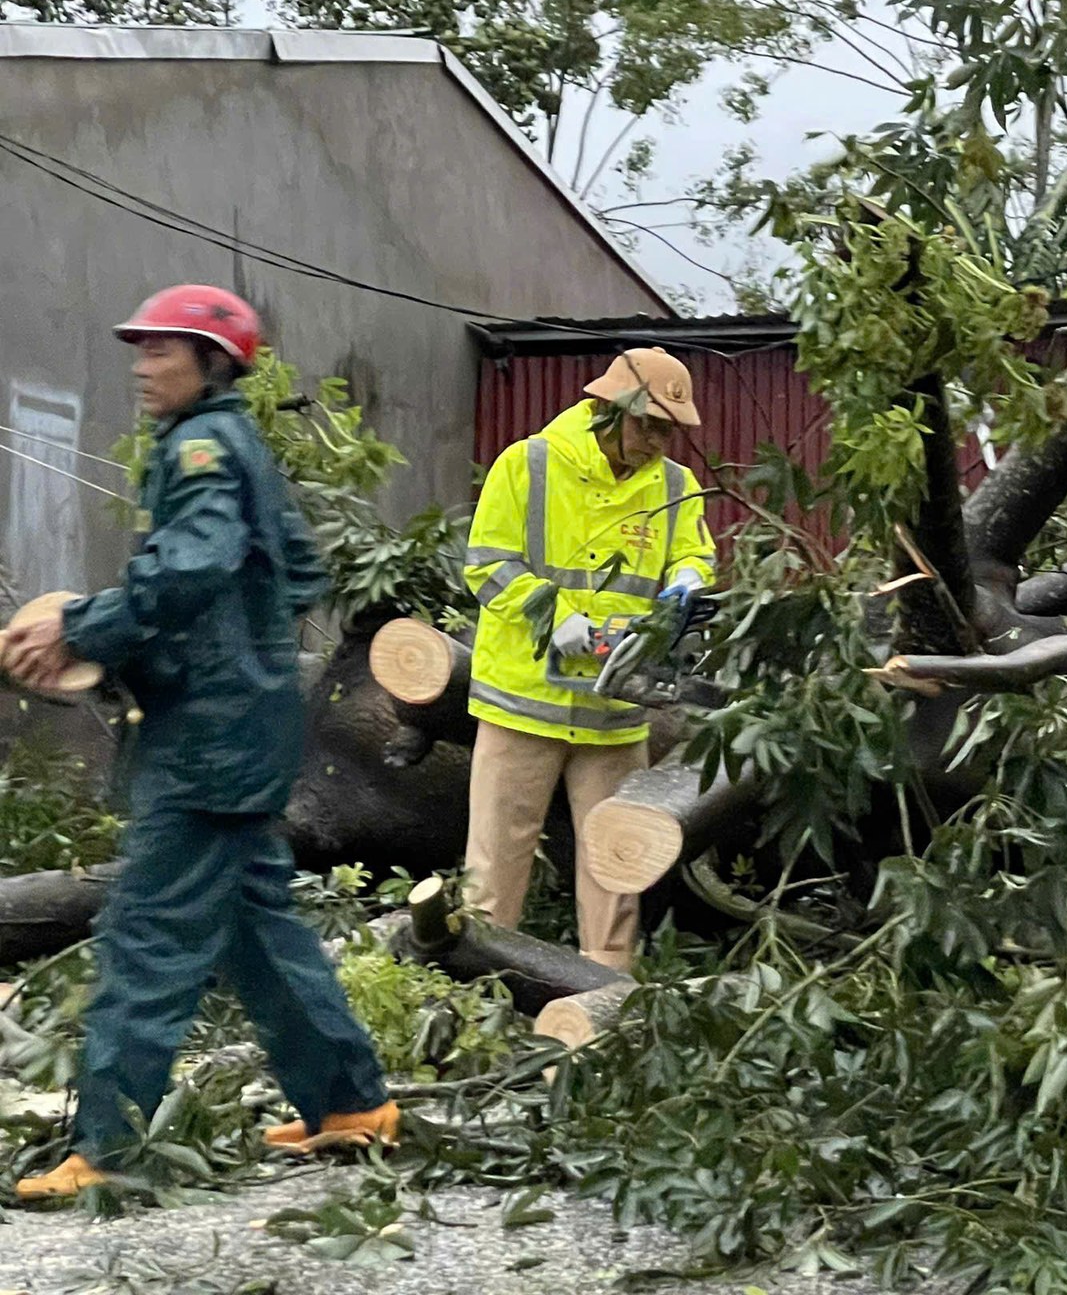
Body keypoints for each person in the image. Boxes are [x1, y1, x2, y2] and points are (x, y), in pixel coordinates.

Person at [4, 285, 394, 1202]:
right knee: (257, 931)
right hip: (241, 727)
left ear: (214, 362)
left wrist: (83, 628)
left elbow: (193, 564)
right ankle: (351, 1106)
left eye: (161, 350)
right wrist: (232, 647)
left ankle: (109, 1148)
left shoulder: (202, 447)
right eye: (139, 349)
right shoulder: (235, 443)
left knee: (147, 934)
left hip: (205, 743)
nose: (142, 367)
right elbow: (297, 569)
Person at [462, 348, 715, 970]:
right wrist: (555, 617)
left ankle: (602, 1004)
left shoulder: (676, 487)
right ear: (609, 409)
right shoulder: (528, 464)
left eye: (667, 431)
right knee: (493, 871)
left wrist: (688, 580)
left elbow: (696, 555)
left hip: (615, 710)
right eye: (647, 425)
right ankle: (477, 997)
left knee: (617, 871)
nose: (656, 442)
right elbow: (487, 564)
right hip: (523, 702)